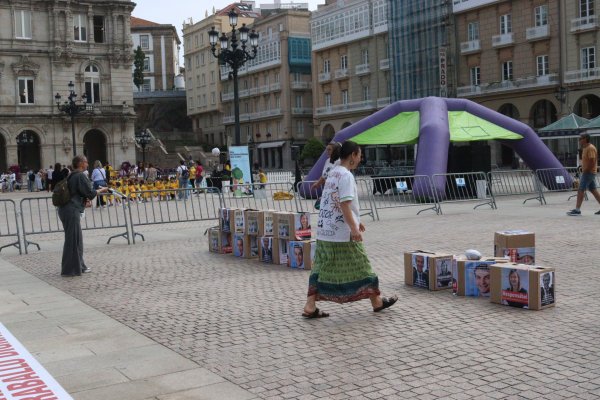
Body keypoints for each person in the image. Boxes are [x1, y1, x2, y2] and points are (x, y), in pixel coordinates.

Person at [302, 140, 397, 318]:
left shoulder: (333, 172)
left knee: (320, 266)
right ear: (353, 155)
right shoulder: (346, 175)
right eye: (359, 155)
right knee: (362, 263)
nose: (361, 159)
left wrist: (356, 221)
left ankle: (310, 305)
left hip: (325, 229)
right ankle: (377, 302)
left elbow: (335, 200)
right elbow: (344, 204)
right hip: (341, 232)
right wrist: (354, 228)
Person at [58, 155, 109, 276]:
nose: (87, 164)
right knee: (73, 240)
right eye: (86, 162)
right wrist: (102, 190)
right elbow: (90, 193)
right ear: (81, 163)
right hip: (72, 210)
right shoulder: (80, 175)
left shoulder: (71, 175)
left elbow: (78, 192)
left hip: (66, 209)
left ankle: (79, 266)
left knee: (75, 239)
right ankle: (70, 269)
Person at [567, 133, 600, 215]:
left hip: (588, 173)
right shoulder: (585, 148)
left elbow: (592, 161)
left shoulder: (590, 148)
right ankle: (577, 209)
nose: (579, 140)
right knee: (593, 190)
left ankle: (577, 210)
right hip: (588, 172)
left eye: (580, 138)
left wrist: (586, 170)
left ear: (585, 139)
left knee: (581, 190)